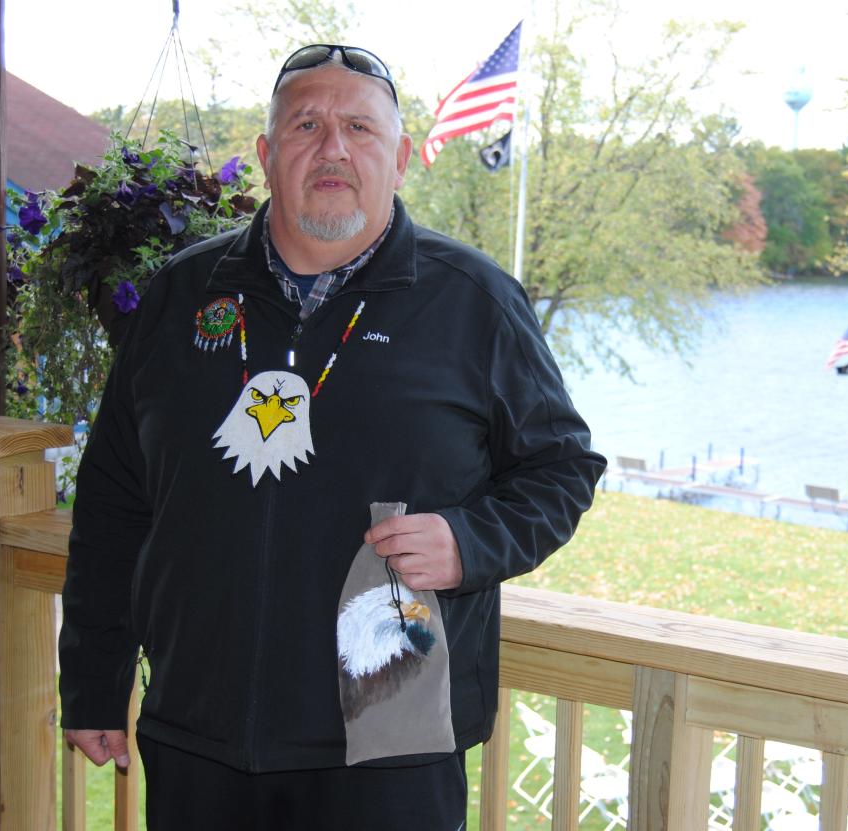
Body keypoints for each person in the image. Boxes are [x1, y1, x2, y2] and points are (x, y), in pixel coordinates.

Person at [59, 43, 605, 830]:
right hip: (199, 734)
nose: (333, 148)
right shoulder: (183, 293)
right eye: (306, 125)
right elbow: (113, 503)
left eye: (359, 128)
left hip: (389, 746)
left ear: (401, 158)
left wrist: (470, 540)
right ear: (265, 154)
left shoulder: (473, 302)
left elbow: (560, 468)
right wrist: (92, 679)